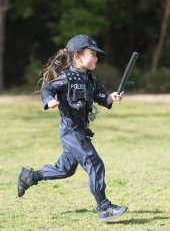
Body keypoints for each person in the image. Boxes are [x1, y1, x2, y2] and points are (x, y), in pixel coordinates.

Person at [17, 34, 128, 222]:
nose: (96, 57)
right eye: (92, 53)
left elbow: (101, 97)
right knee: (94, 163)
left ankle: (30, 177)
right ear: (77, 56)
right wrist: (50, 101)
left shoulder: (92, 77)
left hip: (80, 131)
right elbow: (47, 89)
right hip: (71, 131)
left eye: (96, 54)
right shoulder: (67, 77)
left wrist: (111, 97)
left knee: (65, 169)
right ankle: (104, 207)